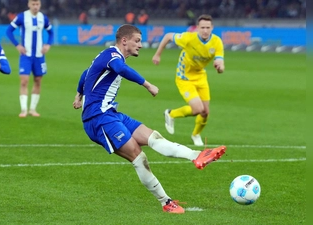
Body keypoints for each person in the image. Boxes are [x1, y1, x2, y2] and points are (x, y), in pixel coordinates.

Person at [73, 24, 226, 213]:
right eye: (137, 41)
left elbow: (85, 74)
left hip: (110, 113)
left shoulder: (107, 57)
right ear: (124, 41)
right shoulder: (113, 57)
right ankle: (166, 202)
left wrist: (79, 95)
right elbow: (121, 69)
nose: (141, 45)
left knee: (154, 137)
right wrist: (147, 85)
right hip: (98, 119)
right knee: (138, 156)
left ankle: (197, 156)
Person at [152, 14, 225, 146]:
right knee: (197, 109)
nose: (205, 30)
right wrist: (157, 54)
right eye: (202, 27)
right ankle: (171, 114)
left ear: (212, 28)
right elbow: (168, 36)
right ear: (197, 28)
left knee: (205, 112)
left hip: (201, 76)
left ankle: (196, 135)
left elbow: (220, 61)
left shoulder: (217, 42)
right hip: (184, 77)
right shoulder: (188, 38)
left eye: (208, 27)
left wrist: (220, 67)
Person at [6, 0, 54, 117]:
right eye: (33, 4)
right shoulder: (22, 17)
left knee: (38, 81)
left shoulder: (43, 18)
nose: (35, 7)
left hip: (39, 56)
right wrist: (17, 45)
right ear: (29, 5)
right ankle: (24, 109)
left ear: (40, 5)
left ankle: (33, 109)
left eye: (37, 4)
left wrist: (48, 45)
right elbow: (9, 31)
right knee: (24, 81)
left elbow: (51, 33)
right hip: (26, 55)